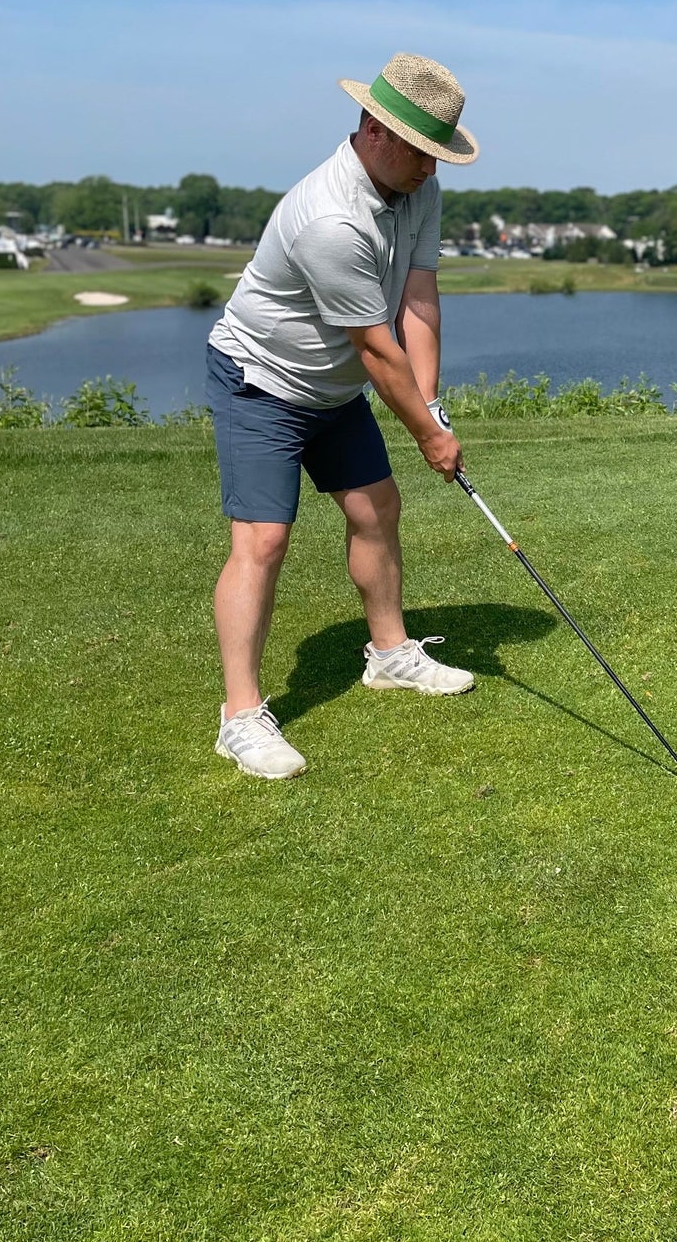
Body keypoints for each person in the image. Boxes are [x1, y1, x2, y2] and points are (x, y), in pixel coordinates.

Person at [205, 52, 479, 780]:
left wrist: (431, 401)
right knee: (262, 540)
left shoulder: (418, 187)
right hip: (261, 379)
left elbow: (417, 299)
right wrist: (428, 434)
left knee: (375, 509)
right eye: (421, 152)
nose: (430, 167)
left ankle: (389, 656)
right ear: (373, 129)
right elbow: (375, 346)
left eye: (437, 154)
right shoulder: (328, 216)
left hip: (332, 387)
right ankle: (240, 716)